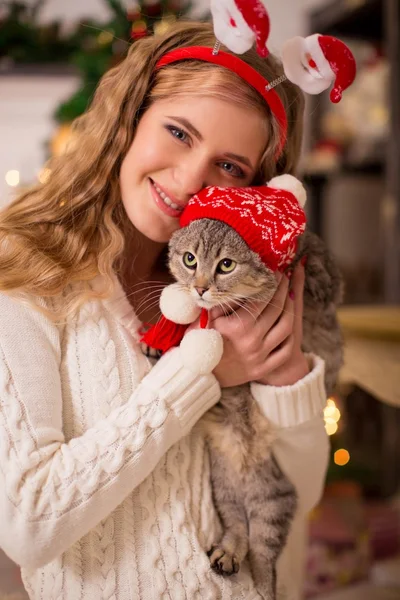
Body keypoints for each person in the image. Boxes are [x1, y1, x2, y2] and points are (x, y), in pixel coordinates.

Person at [0, 20, 329, 600]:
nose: (189, 179)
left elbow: (295, 496)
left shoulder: (236, 294)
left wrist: (283, 378)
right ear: (129, 119)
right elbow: (29, 523)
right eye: (179, 132)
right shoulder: (27, 276)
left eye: (230, 167)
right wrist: (204, 376)